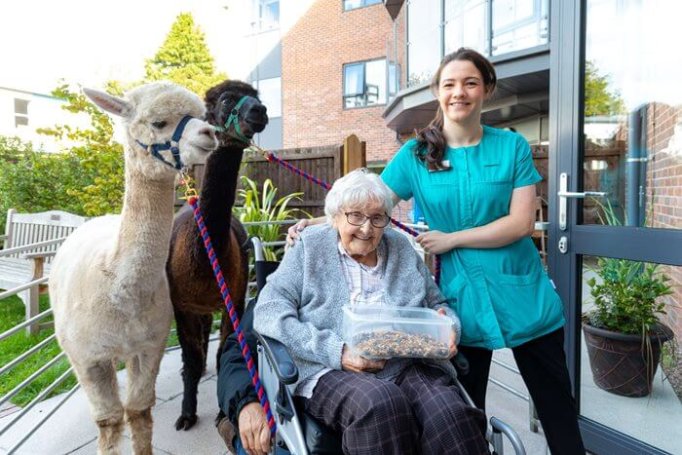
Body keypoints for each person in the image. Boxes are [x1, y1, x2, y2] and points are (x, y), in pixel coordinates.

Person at [288, 48, 585, 455]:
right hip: (463, 298)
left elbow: (520, 224)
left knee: (557, 409)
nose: (458, 92)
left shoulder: (511, 147)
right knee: (464, 412)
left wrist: (451, 239)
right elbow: (370, 203)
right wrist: (317, 223)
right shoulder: (416, 154)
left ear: (487, 90)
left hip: (523, 292)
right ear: (437, 92)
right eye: (449, 84)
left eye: (470, 83)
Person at [254, 169, 489, 455]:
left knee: (452, 416)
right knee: (380, 405)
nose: (367, 229)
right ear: (336, 215)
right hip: (331, 367)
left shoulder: (401, 248)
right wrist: (337, 351)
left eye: (378, 218)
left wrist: (449, 327)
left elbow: (436, 303)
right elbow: (268, 309)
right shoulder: (309, 247)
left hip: (407, 363)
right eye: (355, 216)